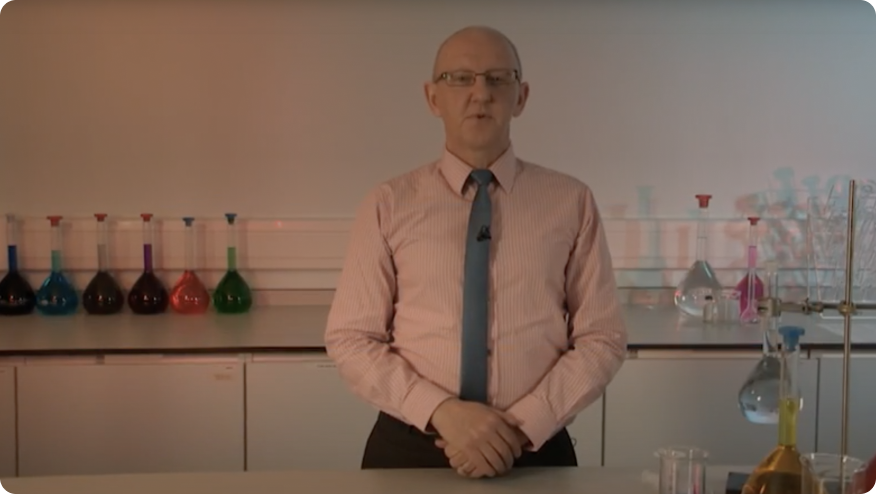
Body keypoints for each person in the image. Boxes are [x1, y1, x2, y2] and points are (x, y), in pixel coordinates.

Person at [324, 25, 628, 479]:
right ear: (432, 98)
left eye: (497, 79)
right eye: (460, 79)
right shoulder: (388, 203)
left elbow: (601, 337)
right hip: (411, 446)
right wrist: (443, 412)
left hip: (535, 449)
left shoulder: (570, 201)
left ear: (521, 97)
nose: (480, 93)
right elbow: (351, 338)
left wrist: (521, 426)